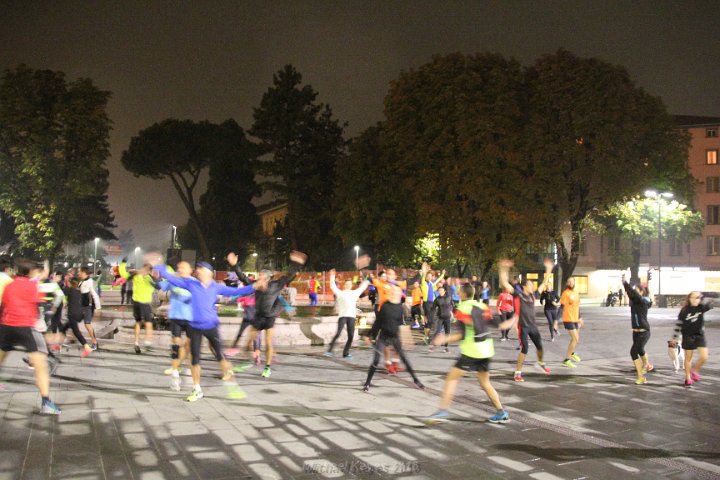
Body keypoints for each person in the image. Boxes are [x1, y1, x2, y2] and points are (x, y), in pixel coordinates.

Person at [151, 256, 255, 402]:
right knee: (195, 360)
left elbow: (236, 292)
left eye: (200, 268)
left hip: (211, 326)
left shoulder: (216, 287)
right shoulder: (192, 284)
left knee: (220, 355)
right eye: (197, 268)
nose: (198, 271)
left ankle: (231, 381)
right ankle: (197, 389)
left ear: (209, 272)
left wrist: (255, 287)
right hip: (194, 327)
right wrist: (160, 267)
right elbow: (173, 280)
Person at [422, 282, 515, 425]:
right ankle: (501, 412)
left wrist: (443, 339)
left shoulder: (462, 308)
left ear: (464, 294)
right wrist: (514, 320)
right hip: (487, 350)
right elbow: (499, 325)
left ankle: (442, 411)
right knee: (485, 383)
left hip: (472, 351)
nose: (457, 292)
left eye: (459, 291)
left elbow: (462, 335)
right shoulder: (482, 306)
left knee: (451, 379)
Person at [0, 258, 61, 414]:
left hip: (6, 326)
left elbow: (4, 306)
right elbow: (37, 310)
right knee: (40, 365)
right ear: (30, 272)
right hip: (25, 328)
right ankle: (46, 402)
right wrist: (46, 334)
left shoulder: (10, 285)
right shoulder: (32, 286)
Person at [236, 251, 307, 378]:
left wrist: (296, 264)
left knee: (268, 343)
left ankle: (267, 367)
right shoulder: (256, 286)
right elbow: (243, 278)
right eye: (259, 276)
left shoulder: (276, 285)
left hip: (269, 318)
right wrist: (235, 266)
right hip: (258, 317)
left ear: (268, 279)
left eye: (262, 277)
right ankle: (248, 361)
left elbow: (289, 276)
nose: (260, 279)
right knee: (246, 344)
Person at [362, 285, 424, 392]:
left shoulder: (400, 307)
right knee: (376, 360)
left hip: (395, 337)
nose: (395, 293)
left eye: (397, 292)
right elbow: (378, 323)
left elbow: (401, 324)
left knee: (404, 359)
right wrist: (369, 336)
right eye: (394, 292)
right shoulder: (385, 306)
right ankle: (367, 383)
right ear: (391, 293)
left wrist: (407, 338)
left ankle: (416, 380)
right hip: (383, 336)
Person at [501, 259, 553, 382]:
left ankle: (540, 363)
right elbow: (505, 283)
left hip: (533, 326)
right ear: (524, 287)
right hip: (523, 327)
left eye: (532, 285)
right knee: (525, 349)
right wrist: (503, 269)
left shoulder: (533, 295)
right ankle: (517, 373)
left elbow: (544, 283)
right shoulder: (518, 294)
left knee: (540, 346)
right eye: (530, 285)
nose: (532, 286)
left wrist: (549, 269)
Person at [158, 261, 193, 391]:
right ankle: (175, 375)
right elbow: (159, 286)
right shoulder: (173, 281)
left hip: (190, 318)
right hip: (176, 318)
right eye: (179, 267)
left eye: (184, 267)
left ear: (190, 270)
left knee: (189, 346)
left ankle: (187, 368)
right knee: (175, 347)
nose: (181, 269)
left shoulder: (194, 282)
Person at [324, 269, 369, 358]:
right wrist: (332, 276)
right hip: (343, 316)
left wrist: (364, 276)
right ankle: (329, 351)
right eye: (347, 284)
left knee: (351, 336)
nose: (348, 285)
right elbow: (333, 286)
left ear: (351, 285)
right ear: (344, 285)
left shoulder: (355, 293)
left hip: (352, 317)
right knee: (338, 333)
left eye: (350, 284)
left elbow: (364, 285)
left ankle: (346, 353)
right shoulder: (340, 293)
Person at [674, 291, 713, 387]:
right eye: (694, 297)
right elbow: (678, 324)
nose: (696, 299)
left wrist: (703, 296)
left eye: (698, 298)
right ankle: (688, 378)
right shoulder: (684, 310)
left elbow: (710, 304)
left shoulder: (701, 307)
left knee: (704, 356)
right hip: (688, 336)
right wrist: (674, 338)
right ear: (689, 298)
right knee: (688, 358)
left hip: (699, 335)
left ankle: (694, 370)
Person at [621, 274, 654, 384]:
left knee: (633, 352)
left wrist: (626, 283)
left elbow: (633, 294)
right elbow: (631, 294)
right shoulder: (635, 301)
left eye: (636, 290)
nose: (634, 292)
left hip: (644, 332)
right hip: (635, 332)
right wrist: (625, 285)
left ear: (641, 292)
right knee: (640, 350)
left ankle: (641, 377)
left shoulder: (643, 301)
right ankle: (647, 365)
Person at [119, 260, 156, 353]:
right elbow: (159, 284)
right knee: (148, 322)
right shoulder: (149, 278)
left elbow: (124, 274)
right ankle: (148, 342)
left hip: (136, 302)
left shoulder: (136, 276)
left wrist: (123, 263)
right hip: (145, 303)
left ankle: (136, 343)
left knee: (138, 322)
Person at [59, 278, 93, 357]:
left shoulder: (70, 290)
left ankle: (86, 347)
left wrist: (63, 284)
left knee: (76, 332)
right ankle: (58, 344)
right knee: (64, 328)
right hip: (80, 314)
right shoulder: (80, 292)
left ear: (71, 284)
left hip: (72, 314)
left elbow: (60, 291)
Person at [560, 277, 583, 368]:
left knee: (576, 338)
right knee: (575, 338)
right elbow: (561, 307)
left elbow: (577, 306)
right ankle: (567, 360)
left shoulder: (576, 293)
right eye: (568, 281)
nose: (570, 283)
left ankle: (572, 353)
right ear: (567, 283)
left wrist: (580, 317)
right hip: (568, 319)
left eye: (572, 281)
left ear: (574, 282)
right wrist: (555, 321)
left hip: (575, 319)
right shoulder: (566, 293)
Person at [420, 263, 445, 344]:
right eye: (428, 276)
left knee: (431, 321)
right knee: (430, 320)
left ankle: (426, 336)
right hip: (427, 303)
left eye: (431, 276)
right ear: (426, 277)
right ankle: (426, 336)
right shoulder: (424, 283)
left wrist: (443, 274)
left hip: (432, 303)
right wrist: (425, 269)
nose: (430, 277)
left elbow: (438, 280)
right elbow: (423, 275)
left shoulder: (431, 283)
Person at [78, 267, 101, 350]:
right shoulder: (81, 281)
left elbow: (95, 295)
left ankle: (95, 342)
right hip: (81, 306)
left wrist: (98, 308)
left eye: (79, 272)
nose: (78, 273)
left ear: (84, 272)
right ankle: (79, 340)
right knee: (72, 321)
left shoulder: (90, 282)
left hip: (88, 306)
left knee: (87, 324)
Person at [429, 285, 453, 353]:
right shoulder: (437, 299)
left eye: (441, 290)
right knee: (437, 332)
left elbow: (452, 305)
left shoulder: (449, 297)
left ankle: (446, 348)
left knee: (447, 333)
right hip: (440, 317)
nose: (440, 292)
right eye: (439, 291)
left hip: (447, 318)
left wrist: (451, 311)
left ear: (444, 291)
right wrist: (429, 315)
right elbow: (433, 309)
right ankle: (432, 347)